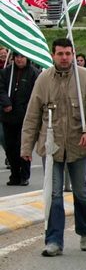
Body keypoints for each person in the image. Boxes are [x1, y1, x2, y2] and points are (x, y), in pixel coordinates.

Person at [21, 38, 86, 257]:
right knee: (54, 195)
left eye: (68, 53)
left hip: (79, 144)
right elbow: (32, 116)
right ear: (53, 55)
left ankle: (85, 230)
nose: (65, 57)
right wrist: (25, 148)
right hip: (51, 147)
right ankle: (54, 241)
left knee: (81, 192)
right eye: (60, 54)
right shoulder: (43, 79)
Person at [0, 52, 40, 185]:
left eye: (22, 57)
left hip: (25, 117)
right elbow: (1, 89)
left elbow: (37, 94)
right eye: (16, 57)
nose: (19, 59)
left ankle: (24, 175)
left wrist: (29, 109)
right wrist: (6, 103)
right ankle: (14, 175)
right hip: (8, 116)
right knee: (10, 147)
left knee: (22, 146)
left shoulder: (34, 73)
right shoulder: (7, 72)